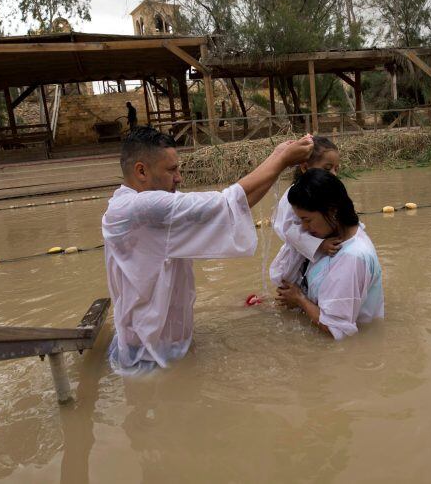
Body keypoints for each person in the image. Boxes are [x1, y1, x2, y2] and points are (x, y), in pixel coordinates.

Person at [102, 126, 314, 373]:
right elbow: (227, 203)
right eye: (172, 170)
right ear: (141, 171)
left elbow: (230, 206)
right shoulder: (142, 209)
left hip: (154, 345)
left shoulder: (128, 204)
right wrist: (280, 160)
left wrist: (277, 158)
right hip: (147, 360)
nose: (179, 177)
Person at [275, 169, 384, 340]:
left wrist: (299, 300)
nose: (303, 228)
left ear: (332, 210)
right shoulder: (339, 237)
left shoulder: (352, 258)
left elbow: (336, 329)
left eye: (307, 220)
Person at [269, 136, 341, 286]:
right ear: (305, 167)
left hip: (319, 250)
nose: (333, 174)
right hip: (298, 257)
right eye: (327, 168)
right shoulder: (296, 195)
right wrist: (320, 245)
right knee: (297, 291)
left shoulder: (326, 191)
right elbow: (290, 231)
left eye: (336, 169)